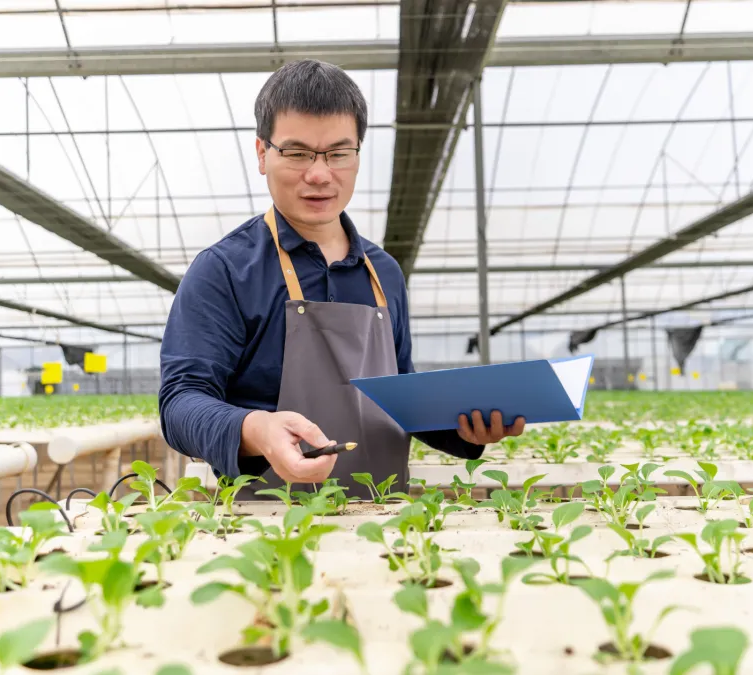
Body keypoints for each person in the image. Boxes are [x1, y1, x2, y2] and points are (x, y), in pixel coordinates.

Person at [159, 59, 525, 494]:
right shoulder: (223, 270)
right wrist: (256, 429)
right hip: (262, 526)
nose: (319, 174)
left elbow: (396, 398)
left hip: (384, 524)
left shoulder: (383, 272)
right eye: (296, 153)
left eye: (338, 153)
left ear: (356, 155)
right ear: (262, 153)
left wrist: (463, 431)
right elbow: (180, 403)